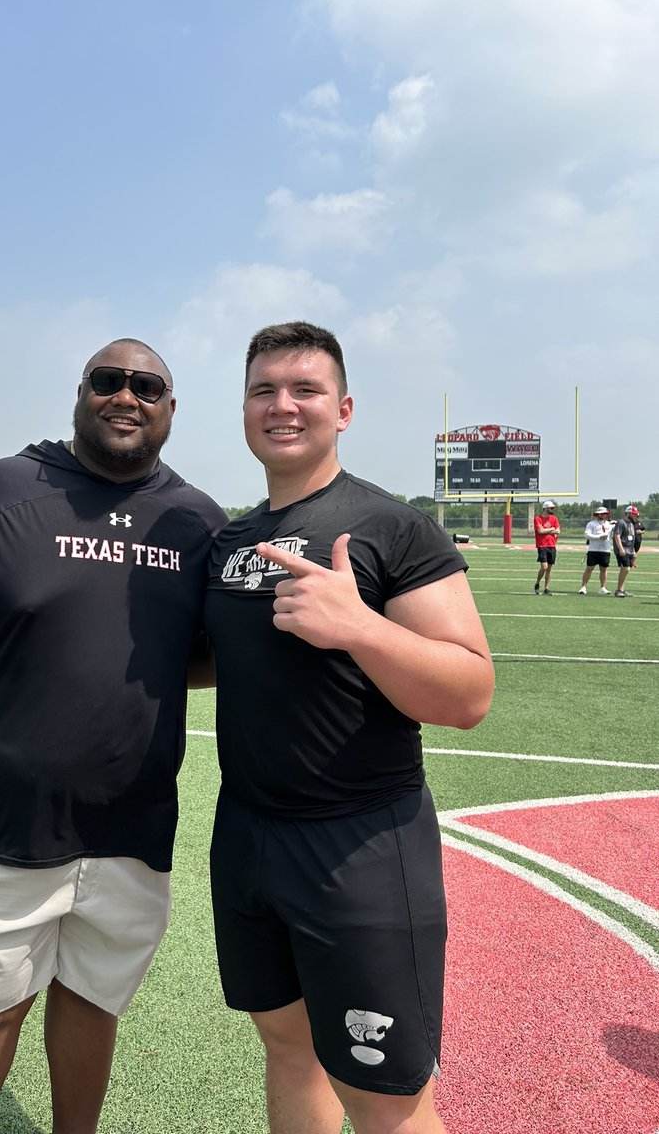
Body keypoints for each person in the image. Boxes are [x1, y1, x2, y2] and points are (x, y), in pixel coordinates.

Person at [0, 340, 225, 1134]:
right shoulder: (2, 488)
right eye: (108, 381)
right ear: (81, 393)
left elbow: (197, 657)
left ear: (170, 407)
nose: (126, 396)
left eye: (147, 387)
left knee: (93, 1007)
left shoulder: (196, 519)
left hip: (130, 822)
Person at [204, 323, 494, 1134]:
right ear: (244, 407)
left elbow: (470, 692)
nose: (283, 406)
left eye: (305, 390)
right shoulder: (231, 539)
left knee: (385, 1095)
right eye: (264, 390)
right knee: (287, 1048)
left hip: (362, 844)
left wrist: (360, 627)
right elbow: (207, 657)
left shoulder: (392, 526)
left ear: (345, 409)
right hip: (249, 835)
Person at [579, 506, 614, 595]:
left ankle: (602, 587)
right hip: (593, 549)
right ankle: (583, 587)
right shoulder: (591, 524)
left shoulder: (609, 524)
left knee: (603, 569)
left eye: (604, 514)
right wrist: (599, 537)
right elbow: (587, 535)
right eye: (601, 514)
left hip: (605, 550)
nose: (603, 515)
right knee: (589, 568)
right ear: (597, 514)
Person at [533, 500, 560, 594]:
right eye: (551, 508)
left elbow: (558, 531)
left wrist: (547, 530)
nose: (553, 509)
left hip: (552, 545)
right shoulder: (538, 518)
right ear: (546, 508)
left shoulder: (554, 518)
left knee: (549, 568)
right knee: (544, 567)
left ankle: (546, 588)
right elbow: (540, 531)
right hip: (542, 545)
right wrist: (552, 529)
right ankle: (537, 583)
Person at [612, 505, 639, 597]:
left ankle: (621, 590)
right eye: (634, 514)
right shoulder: (621, 522)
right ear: (628, 513)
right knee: (626, 569)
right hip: (623, 549)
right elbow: (617, 536)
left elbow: (632, 538)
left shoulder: (631, 524)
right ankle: (619, 590)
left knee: (625, 570)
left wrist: (634, 551)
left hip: (629, 550)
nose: (636, 516)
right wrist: (620, 548)